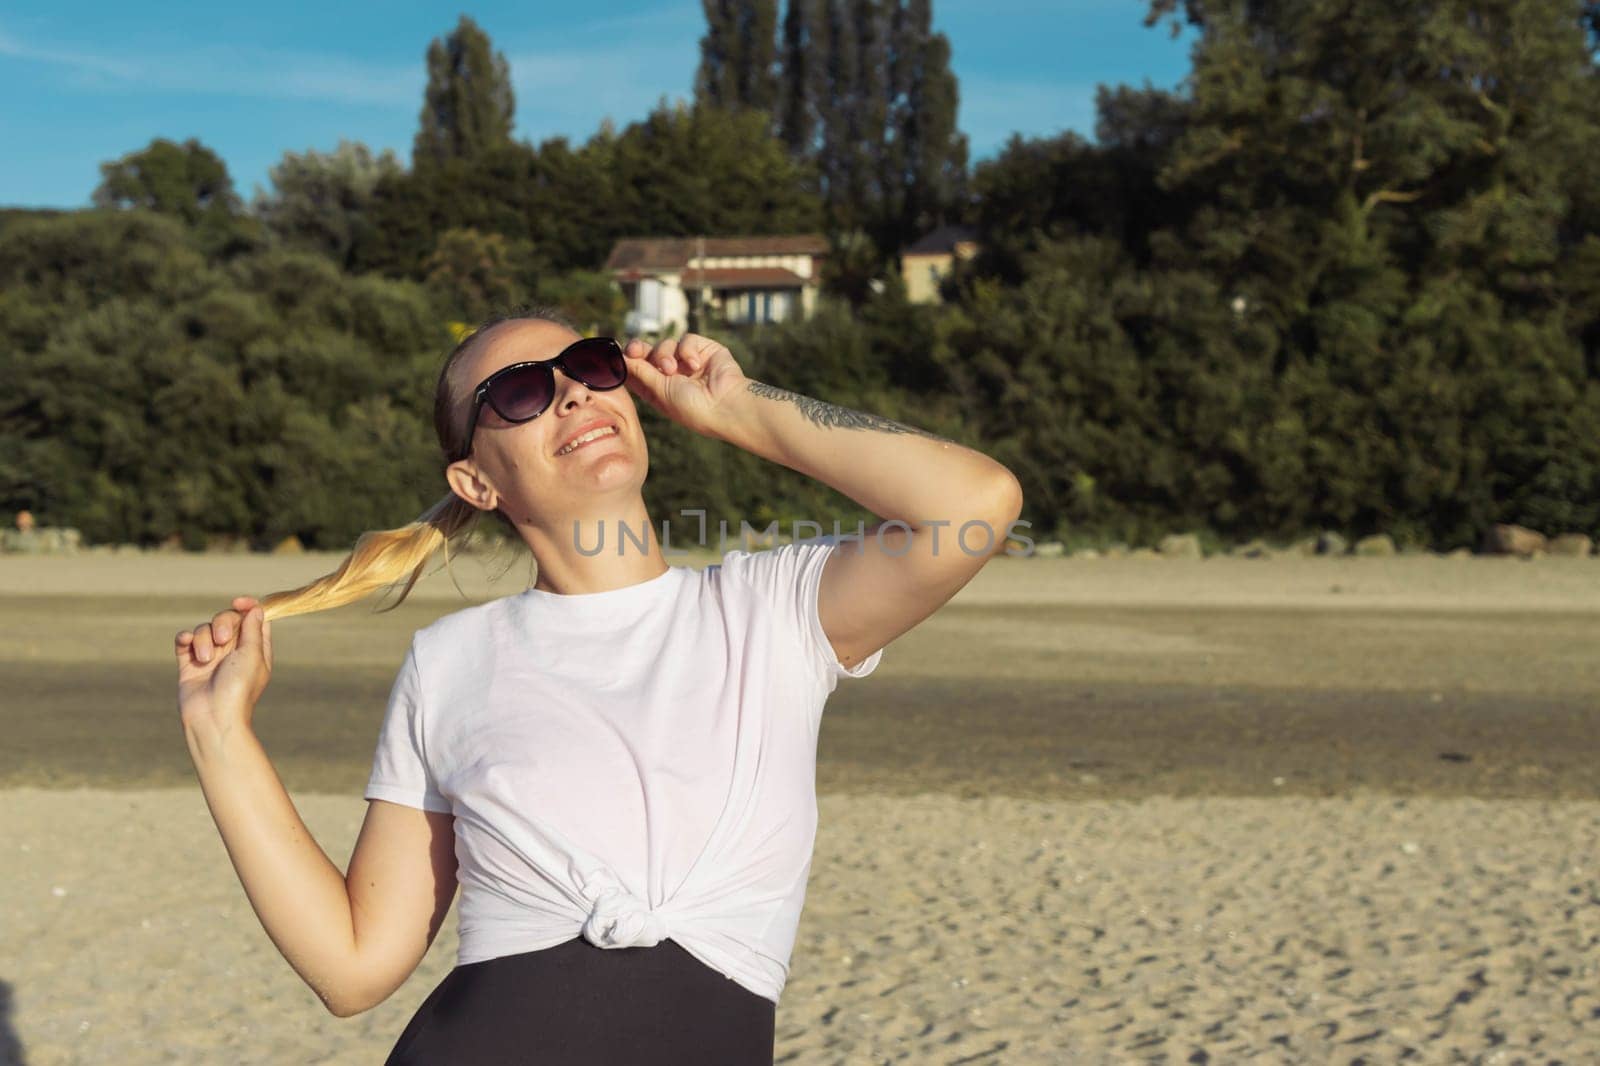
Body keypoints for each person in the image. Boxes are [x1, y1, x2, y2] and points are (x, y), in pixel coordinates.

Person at [172, 305, 1024, 1064]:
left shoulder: (771, 614)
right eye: (517, 394)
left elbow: (975, 504)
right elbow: (355, 968)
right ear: (476, 482)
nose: (572, 395)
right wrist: (220, 736)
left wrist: (737, 407)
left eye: (588, 367)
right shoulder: (450, 660)